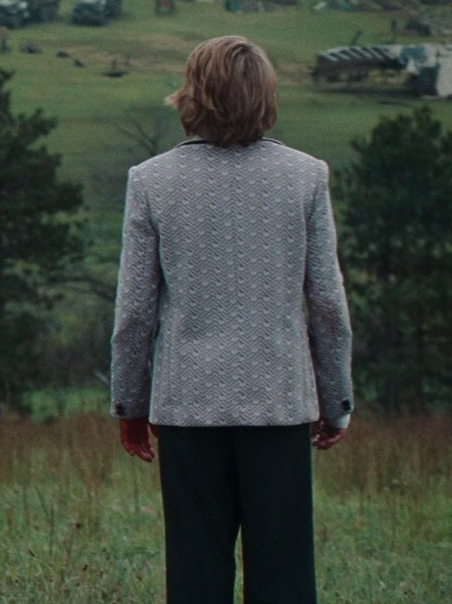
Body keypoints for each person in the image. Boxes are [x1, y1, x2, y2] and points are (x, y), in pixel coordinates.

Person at [111, 35, 353, 604]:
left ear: (192, 94)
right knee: (284, 575)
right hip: (279, 404)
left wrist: (130, 405)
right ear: (265, 94)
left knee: (196, 572)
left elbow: (135, 313)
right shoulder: (305, 177)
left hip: (188, 408)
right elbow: (326, 302)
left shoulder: (152, 181)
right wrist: (335, 398)